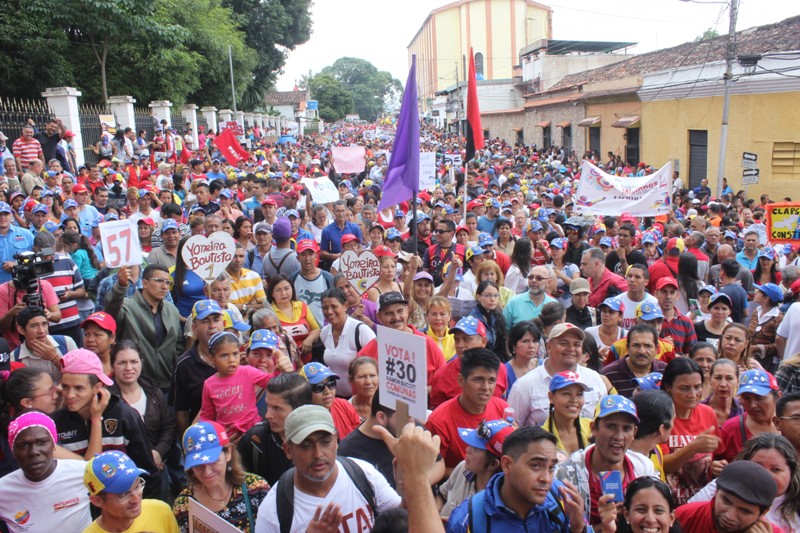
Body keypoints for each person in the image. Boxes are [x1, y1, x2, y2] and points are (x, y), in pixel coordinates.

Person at [254, 404, 401, 533]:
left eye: (325, 442)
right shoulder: (273, 512)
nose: (318, 454)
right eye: (306, 446)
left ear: (336, 441)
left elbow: (401, 518)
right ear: (287, 450)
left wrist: (410, 484)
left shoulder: (364, 474)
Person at [53, 348, 161, 495]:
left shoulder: (124, 416)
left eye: (79, 388)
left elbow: (147, 472)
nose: (70, 395)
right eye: (65, 387)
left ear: (97, 387)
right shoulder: (56, 422)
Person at [446, 426, 591, 533]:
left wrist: (578, 529)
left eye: (551, 467)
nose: (546, 478)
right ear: (507, 465)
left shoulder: (562, 499)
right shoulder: (468, 518)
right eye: (535, 465)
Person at [555, 394, 657, 527]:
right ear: (593, 429)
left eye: (626, 428)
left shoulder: (643, 468)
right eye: (611, 426)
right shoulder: (566, 474)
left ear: (634, 433)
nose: (619, 436)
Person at [0, 412, 92, 532]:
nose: (34, 452)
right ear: (13, 451)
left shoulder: (84, 472)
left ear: (53, 444)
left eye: (41, 442)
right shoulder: (3, 490)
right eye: (23, 445)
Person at [689, 433, 800, 532]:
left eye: (775, 469)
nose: (764, 475)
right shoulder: (724, 485)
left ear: (792, 471)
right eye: (757, 466)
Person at [173, 421, 270, 532]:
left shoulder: (256, 488)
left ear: (228, 453)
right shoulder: (183, 505)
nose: (207, 472)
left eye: (214, 461)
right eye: (198, 465)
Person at [339, 389, 445, 491]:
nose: (412, 422)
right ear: (381, 417)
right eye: (405, 416)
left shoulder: (410, 424)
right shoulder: (348, 452)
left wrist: (419, 482)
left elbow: (439, 463)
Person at [509, 323, 610, 427]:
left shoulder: (594, 379)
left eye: (577, 345)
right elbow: (512, 428)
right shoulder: (525, 385)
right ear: (549, 347)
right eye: (564, 343)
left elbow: (603, 422)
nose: (571, 348)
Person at [104, 263, 184, 390]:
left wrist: (174, 369)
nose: (164, 287)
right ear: (145, 283)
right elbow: (110, 313)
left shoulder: (172, 310)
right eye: (159, 281)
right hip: (135, 384)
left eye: (167, 283)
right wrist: (120, 287)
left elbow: (179, 344)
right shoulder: (126, 307)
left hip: (167, 384)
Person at [200, 331, 291, 439]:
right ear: (212, 358)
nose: (231, 360)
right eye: (224, 355)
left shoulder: (248, 372)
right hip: (227, 437)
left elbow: (272, 384)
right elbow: (206, 416)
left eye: (235, 354)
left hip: (254, 432)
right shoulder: (209, 384)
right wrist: (214, 437)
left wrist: (279, 367)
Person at [660, 357, 725, 505]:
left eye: (697, 387)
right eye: (684, 388)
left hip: (702, 501)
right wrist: (693, 447)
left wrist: (717, 466)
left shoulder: (708, 413)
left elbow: (718, 455)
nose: (693, 394)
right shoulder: (661, 417)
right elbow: (661, 465)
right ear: (669, 387)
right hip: (668, 502)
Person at [110, 340, 176, 481]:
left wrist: (158, 452)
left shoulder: (154, 392)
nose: (129, 367)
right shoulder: (107, 399)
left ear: (141, 362)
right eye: (122, 363)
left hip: (156, 469)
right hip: (120, 475)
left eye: (134, 361)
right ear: (112, 365)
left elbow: (168, 426)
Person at [237, 373, 312, 485]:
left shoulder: (321, 438)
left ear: (300, 409)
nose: (268, 415)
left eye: (277, 408)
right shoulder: (255, 439)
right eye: (268, 406)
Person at [358, 291, 446, 386]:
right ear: (379, 316)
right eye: (389, 313)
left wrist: (422, 392)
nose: (396, 317)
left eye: (400, 311)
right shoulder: (367, 353)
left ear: (407, 311)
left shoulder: (427, 343)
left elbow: (444, 383)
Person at [82, 450, 179, 533]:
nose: (136, 499)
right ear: (97, 501)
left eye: (137, 486)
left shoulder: (161, 511)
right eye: (123, 495)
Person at [675, 461, 782, 533]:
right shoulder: (684, 516)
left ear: (763, 513)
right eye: (726, 501)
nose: (730, 516)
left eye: (744, 511)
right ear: (716, 492)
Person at [435, 419, 511, 519]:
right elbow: (441, 495)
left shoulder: (500, 503)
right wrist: (433, 517)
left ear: (493, 464)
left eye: (475, 448)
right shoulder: (463, 467)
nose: (467, 450)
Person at [319, 288, 376, 397]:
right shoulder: (325, 333)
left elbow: (376, 364)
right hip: (335, 397)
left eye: (334, 306)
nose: (329, 311)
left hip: (360, 398)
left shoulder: (361, 331)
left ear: (345, 306)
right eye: (325, 308)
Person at [717, 369, 781, 463]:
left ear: (778, 397)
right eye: (746, 398)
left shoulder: (790, 425)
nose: (752, 405)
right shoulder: (731, 429)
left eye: (759, 398)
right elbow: (714, 461)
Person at [602, 325, 668, 398]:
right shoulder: (608, 374)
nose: (642, 351)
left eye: (647, 346)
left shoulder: (666, 372)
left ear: (656, 349)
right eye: (636, 345)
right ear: (627, 348)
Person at [299, 362, 361, 439]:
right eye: (318, 387)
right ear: (305, 391)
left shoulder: (343, 405)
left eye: (331, 383)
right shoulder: (303, 420)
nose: (327, 391)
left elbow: (360, 437)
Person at [268, 274, 320, 364]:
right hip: (285, 363)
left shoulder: (301, 306)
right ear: (272, 293)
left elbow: (316, 329)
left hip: (308, 361)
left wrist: (309, 340)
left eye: (287, 288)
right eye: (278, 290)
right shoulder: (270, 312)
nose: (284, 293)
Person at [543, 371, 593, 460]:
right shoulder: (541, 436)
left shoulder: (592, 428)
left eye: (579, 394)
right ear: (551, 397)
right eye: (566, 393)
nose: (574, 400)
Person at [629, 390, 675, 481]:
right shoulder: (622, 461)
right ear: (662, 429)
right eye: (673, 420)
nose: (674, 425)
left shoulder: (656, 450)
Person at [503, 265, 556, 331]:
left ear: (548, 282)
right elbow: (504, 332)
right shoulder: (513, 302)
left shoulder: (554, 305)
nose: (533, 280)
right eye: (530, 277)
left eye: (539, 278)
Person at [748, 282, 783, 373]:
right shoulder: (756, 311)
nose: (756, 292)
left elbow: (779, 344)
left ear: (766, 298)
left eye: (759, 292)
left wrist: (757, 348)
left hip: (767, 363)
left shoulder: (778, 318)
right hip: (750, 357)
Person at [703, 358, 743, 427]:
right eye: (718, 378)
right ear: (710, 380)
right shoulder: (697, 410)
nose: (723, 384)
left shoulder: (744, 411)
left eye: (729, 378)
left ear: (737, 382)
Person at [505, 321, 541, 395]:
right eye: (525, 341)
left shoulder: (543, 365)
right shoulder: (504, 371)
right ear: (514, 345)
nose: (531, 346)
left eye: (534, 341)